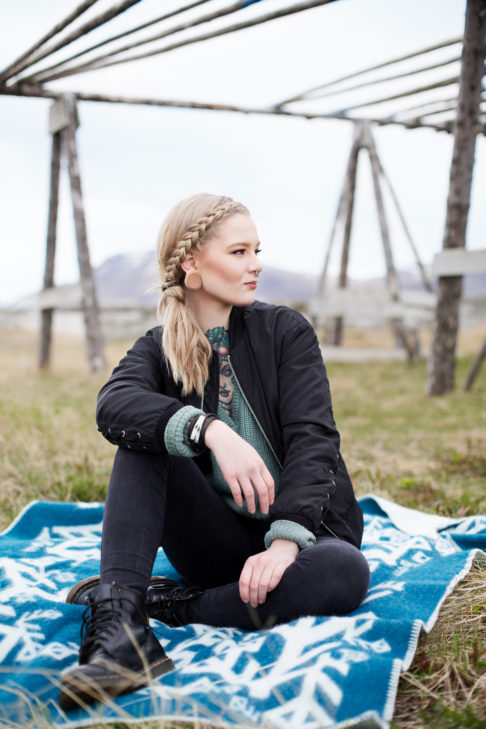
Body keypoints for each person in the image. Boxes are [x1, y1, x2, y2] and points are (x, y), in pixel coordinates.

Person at [59, 193, 370, 711]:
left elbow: (314, 441)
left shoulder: (285, 332)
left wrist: (286, 543)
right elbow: (113, 406)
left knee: (346, 570)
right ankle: (119, 632)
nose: (257, 264)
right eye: (240, 252)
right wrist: (208, 430)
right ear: (192, 264)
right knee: (144, 439)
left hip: (301, 545)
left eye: (256, 250)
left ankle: (175, 605)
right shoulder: (159, 348)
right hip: (217, 547)